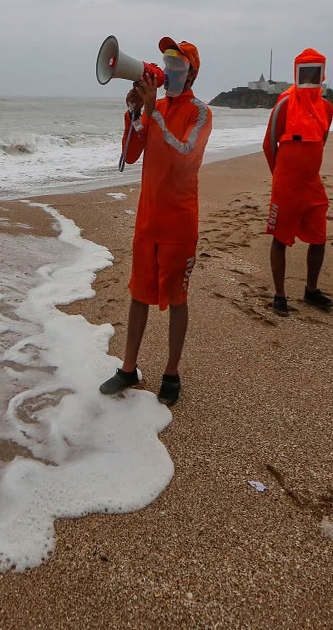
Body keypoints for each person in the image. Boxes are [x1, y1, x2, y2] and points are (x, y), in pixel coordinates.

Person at [99, 38, 212, 406]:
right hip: (148, 220)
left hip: (179, 223)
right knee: (138, 295)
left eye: (176, 64)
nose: (169, 70)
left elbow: (185, 154)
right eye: (166, 62)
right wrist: (135, 114)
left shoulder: (200, 112)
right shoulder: (155, 106)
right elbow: (130, 156)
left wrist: (155, 113)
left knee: (177, 299)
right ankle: (129, 368)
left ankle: (172, 372)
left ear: (192, 72)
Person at [263, 48, 333, 317]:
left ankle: (312, 290)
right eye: (305, 72)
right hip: (286, 186)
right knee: (280, 239)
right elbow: (269, 143)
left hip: (312, 185)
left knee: (319, 238)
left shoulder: (326, 107)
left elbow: (322, 140)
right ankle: (279, 295)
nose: (309, 78)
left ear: (322, 73)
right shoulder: (284, 103)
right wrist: (279, 177)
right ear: (296, 72)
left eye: (314, 72)